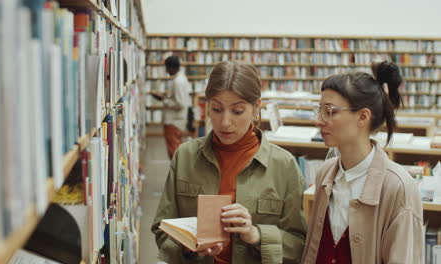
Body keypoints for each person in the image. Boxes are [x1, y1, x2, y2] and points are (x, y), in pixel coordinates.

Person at [152, 60, 307, 264]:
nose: (225, 122)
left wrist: (256, 235)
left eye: (237, 111)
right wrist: (189, 245)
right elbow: (162, 229)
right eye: (216, 109)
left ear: (256, 107)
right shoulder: (186, 156)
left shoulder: (284, 165)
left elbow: (299, 245)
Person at [301, 61, 423, 263]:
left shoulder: (398, 187)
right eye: (319, 109)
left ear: (362, 116)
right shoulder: (325, 174)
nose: (319, 120)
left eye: (330, 111)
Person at [150, 55, 191, 159]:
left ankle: (178, 173)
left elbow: (180, 103)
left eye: (167, 67)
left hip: (174, 121)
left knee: (174, 151)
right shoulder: (181, 79)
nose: (166, 70)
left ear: (172, 67)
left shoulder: (178, 82)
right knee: (176, 149)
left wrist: (164, 100)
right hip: (177, 120)